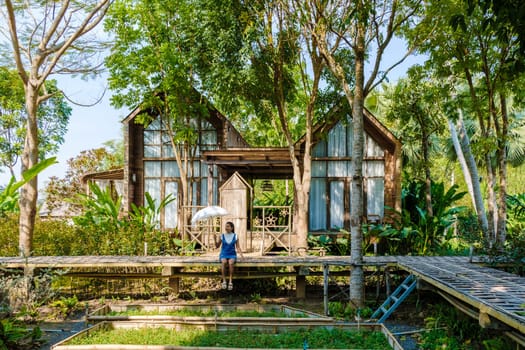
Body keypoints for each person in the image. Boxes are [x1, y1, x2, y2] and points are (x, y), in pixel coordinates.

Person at [215, 221, 244, 290]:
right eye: (226, 226)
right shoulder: (222, 236)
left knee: (231, 263)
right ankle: (224, 281)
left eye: (228, 226)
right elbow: (217, 246)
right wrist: (214, 239)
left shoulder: (235, 236)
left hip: (232, 254)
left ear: (232, 228)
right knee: (224, 262)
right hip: (223, 254)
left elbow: (238, 247)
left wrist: (241, 255)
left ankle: (230, 281)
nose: (226, 227)